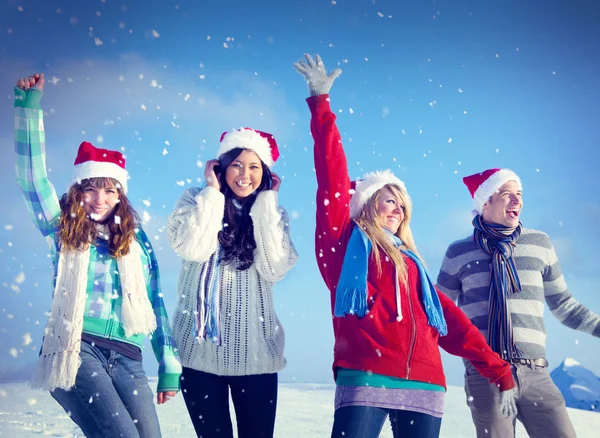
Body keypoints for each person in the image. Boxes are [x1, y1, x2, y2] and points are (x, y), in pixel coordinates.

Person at [293, 54, 519, 438]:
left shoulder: (414, 266)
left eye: (402, 203)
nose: (397, 208)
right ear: (366, 206)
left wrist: (498, 369)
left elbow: (452, 323)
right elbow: (331, 180)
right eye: (388, 199)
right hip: (366, 377)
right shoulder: (343, 247)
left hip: (426, 386)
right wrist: (321, 106)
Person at [14, 73, 182, 438]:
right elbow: (32, 181)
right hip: (77, 349)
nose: (99, 199)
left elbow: (155, 302)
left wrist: (169, 363)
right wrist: (29, 110)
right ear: (78, 192)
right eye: (90, 189)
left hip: (129, 357)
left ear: (120, 195)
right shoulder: (63, 230)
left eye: (109, 190)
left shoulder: (136, 243)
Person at [436, 168, 600, 437]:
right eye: (506, 194)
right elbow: (437, 312)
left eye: (519, 194)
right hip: (486, 373)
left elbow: (564, 305)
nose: (516, 201)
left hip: (535, 372)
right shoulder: (459, 252)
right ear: (485, 201)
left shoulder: (539, 243)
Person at [167, 127, 298, 437]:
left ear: (265, 173)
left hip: (257, 357)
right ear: (221, 166)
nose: (244, 174)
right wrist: (211, 193)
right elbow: (191, 247)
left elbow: (274, 267)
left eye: (254, 167)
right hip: (199, 354)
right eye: (237, 164)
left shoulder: (273, 214)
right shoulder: (195, 199)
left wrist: (266, 205)